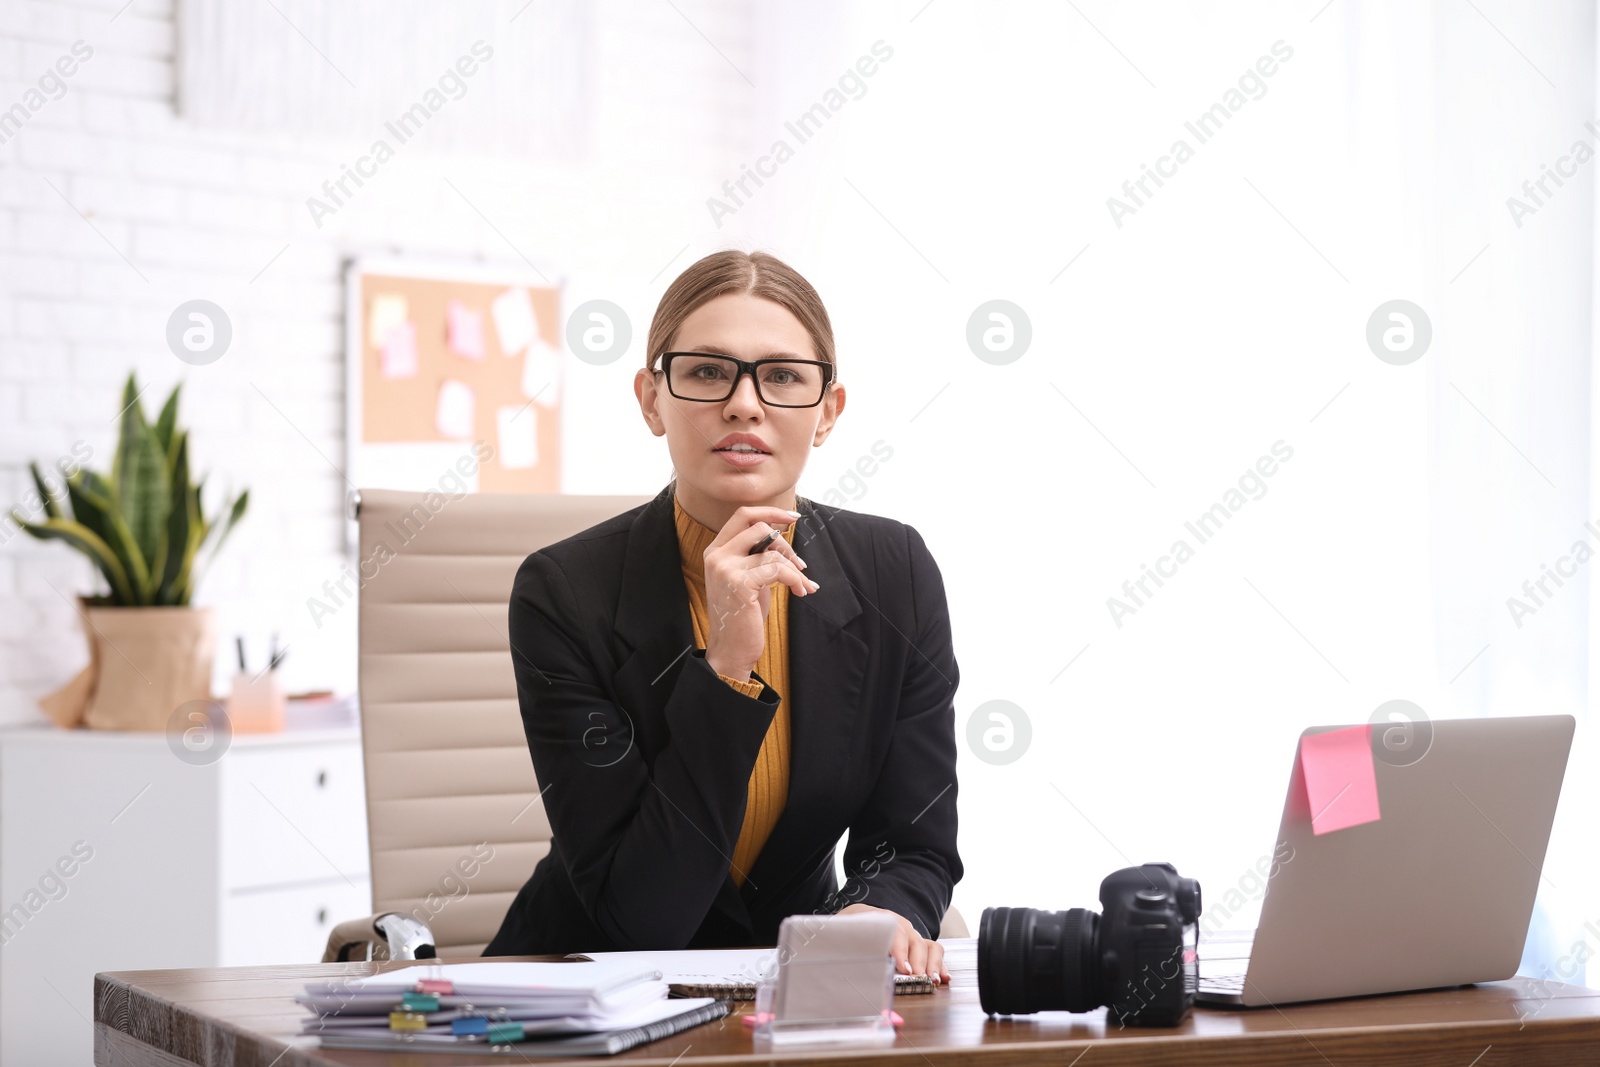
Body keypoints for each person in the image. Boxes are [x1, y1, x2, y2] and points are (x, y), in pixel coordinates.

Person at [485, 249, 962, 982]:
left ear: (828, 412)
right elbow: (642, 919)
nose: (745, 403)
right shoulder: (562, 593)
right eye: (707, 371)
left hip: (793, 987)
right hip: (582, 995)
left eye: (782, 377)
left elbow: (913, 841)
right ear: (651, 399)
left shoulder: (894, 570)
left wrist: (879, 910)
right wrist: (727, 672)